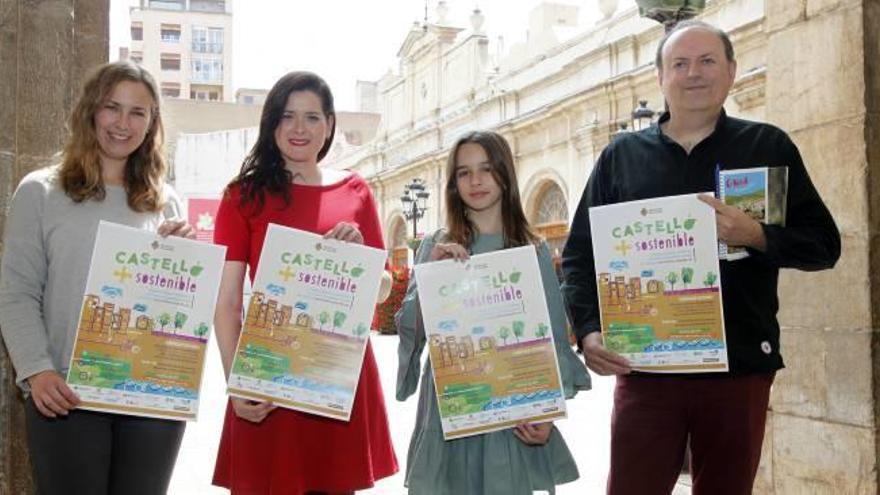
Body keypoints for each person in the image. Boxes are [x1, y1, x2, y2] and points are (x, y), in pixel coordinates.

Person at [561, 20, 841, 495]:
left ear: (731, 71)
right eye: (680, 63)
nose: (694, 73)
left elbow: (823, 246)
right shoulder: (620, 156)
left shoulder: (767, 146)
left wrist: (755, 234)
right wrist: (587, 332)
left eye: (708, 61)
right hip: (646, 370)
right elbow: (579, 257)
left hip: (739, 369)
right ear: (661, 77)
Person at [0, 61, 195, 495]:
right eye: (112, 107)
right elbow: (17, 293)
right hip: (66, 393)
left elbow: (176, 306)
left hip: (151, 397)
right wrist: (37, 371)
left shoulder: (167, 202)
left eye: (138, 112)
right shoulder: (41, 191)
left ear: (152, 124)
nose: (123, 123)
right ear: (91, 111)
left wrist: (184, 255)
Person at [211, 71, 397, 495]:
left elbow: (382, 288)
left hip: (339, 372)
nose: (299, 128)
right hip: (271, 376)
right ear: (271, 123)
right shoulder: (242, 196)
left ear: (330, 125)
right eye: (287, 116)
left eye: (312, 117)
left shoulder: (357, 192)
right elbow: (226, 303)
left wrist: (358, 262)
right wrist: (237, 382)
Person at [396, 130, 591, 495]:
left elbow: (551, 335)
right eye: (463, 172)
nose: (476, 181)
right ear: (453, 183)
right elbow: (412, 331)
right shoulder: (434, 246)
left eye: (486, 169)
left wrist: (547, 409)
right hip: (448, 409)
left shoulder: (531, 250)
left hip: (511, 411)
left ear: (504, 174)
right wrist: (430, 277)